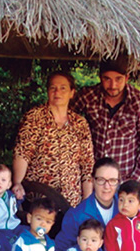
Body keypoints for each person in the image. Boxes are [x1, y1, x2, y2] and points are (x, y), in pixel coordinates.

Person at [12, 70, 94, 207]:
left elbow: (87, 164)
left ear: (72, 93)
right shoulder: (34, 117)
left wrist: (87, 201)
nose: (57, 92)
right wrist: (18, 183)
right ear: (47, 91)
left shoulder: (80, 123)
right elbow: (22, 152)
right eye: (53, 88)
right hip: (39, 197)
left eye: (63, 88)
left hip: (70, 200)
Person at [71, 58, 140, 182]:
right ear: (100, 77)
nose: (113, 86)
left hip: (124, 178)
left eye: (118, 79)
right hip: (91, 178)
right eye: (107, 79)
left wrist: (133, 180)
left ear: (127, 78)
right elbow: (66, 120)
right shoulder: (87, 96)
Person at [0, 164, 24, 251]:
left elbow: (14, 208)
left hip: (14, 226)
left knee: (25, 233)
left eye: (3, 180)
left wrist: (20, 198)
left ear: (9, 185)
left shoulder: (10, 196)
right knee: (3, 240)